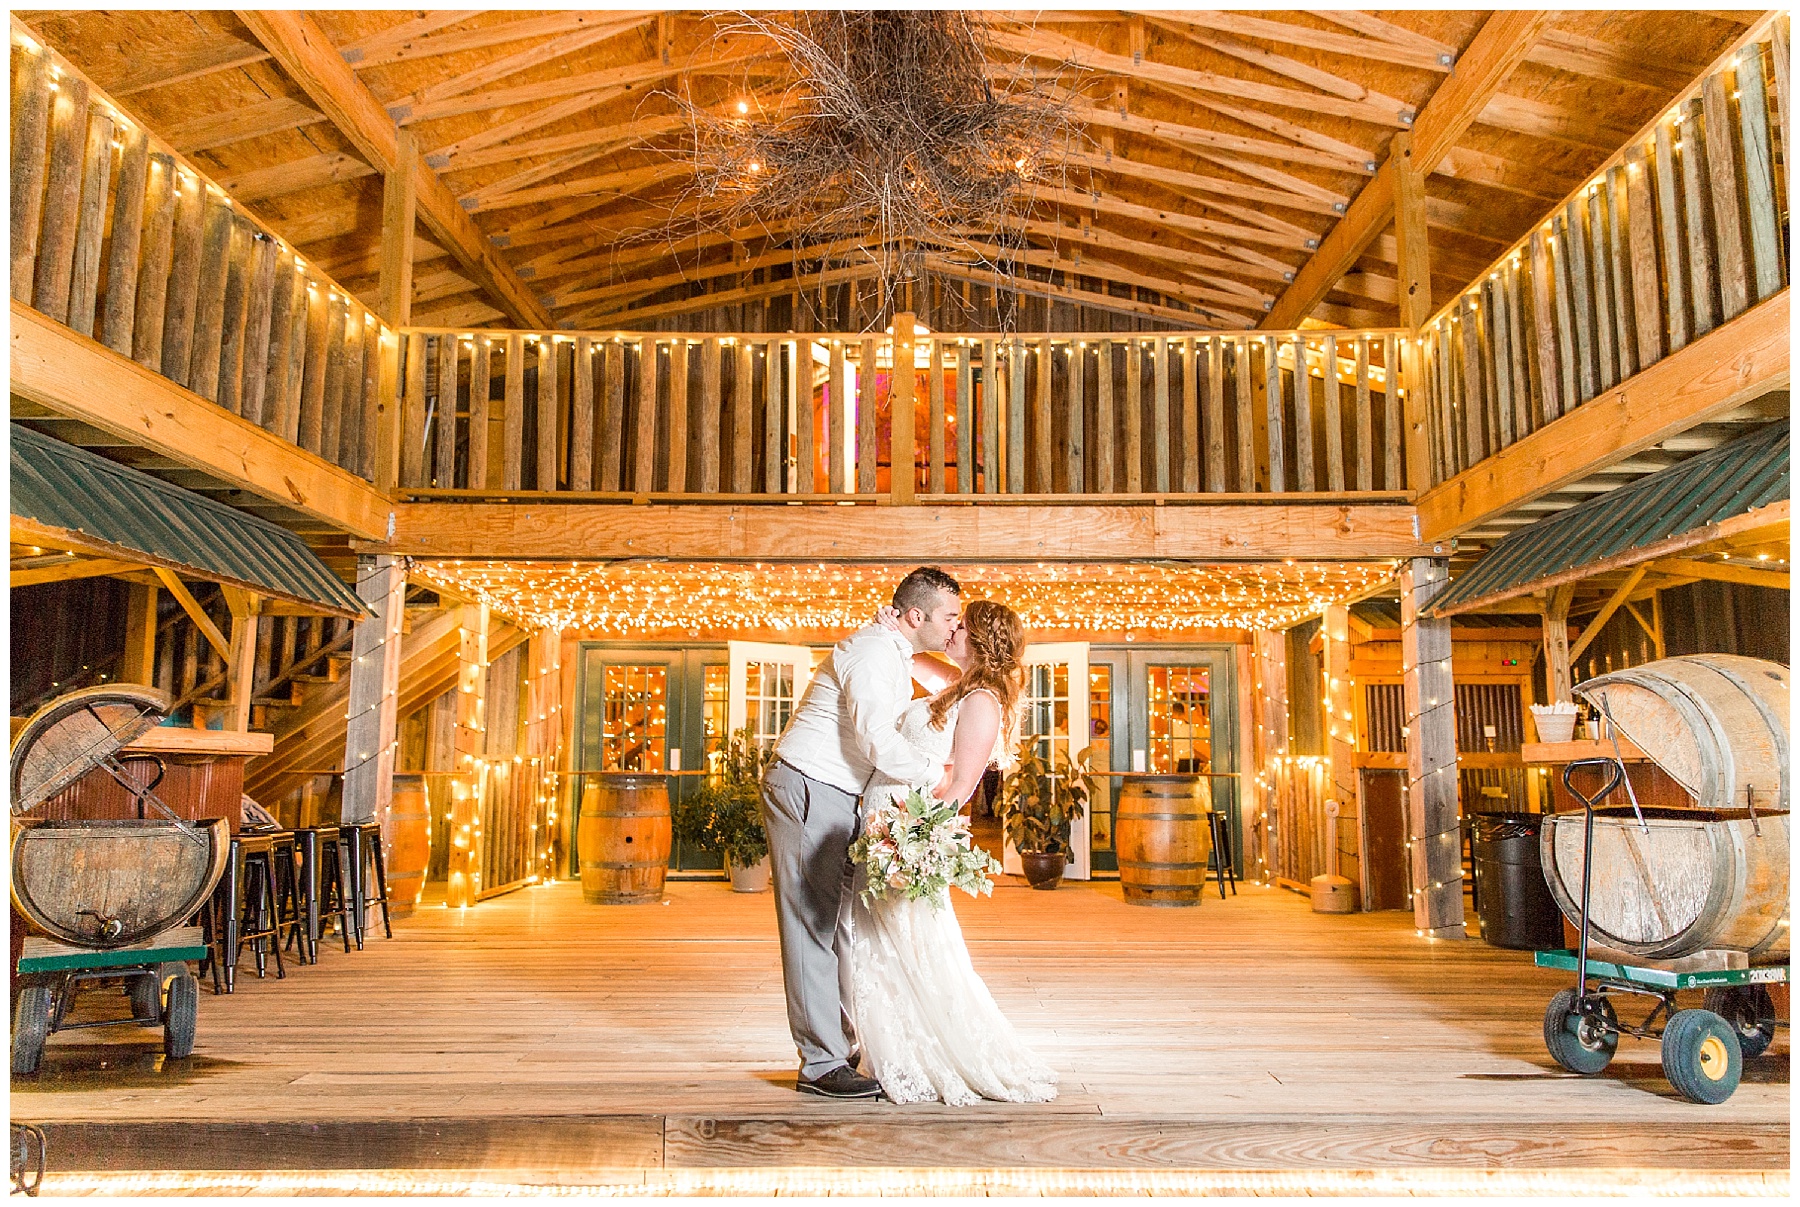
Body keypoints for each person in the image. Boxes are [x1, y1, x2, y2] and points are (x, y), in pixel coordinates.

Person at [760, 566, 962, 1100]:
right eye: (949, 617)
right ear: (915, 615)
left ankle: (840, 1046)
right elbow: (875, 740)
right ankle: (821, 1064)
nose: (954, 627)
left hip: (837, 792)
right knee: (811, 925)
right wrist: (934, 777)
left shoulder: (890, 649)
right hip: (809, 784)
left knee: (838, 925)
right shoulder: (873, 651)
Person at [847, 599, 1059, 1105]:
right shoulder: (961, 685)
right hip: (885, 818)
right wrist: (895, 633)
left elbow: (962, 784)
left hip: (906, 831)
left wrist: (913, 839)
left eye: (961, 626)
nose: (952, 630)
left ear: (981, 640)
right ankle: (884, 1051)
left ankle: (926, 1054)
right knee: (879, 945)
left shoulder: (984, 698)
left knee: (913, 944)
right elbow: (916, 660)